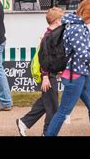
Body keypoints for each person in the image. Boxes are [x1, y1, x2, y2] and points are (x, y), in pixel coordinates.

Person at [45, 0, 90, 136]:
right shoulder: (77, 28)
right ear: (88, 13)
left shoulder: (75, 24)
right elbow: (83, 54)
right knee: (63, 112)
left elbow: (84, 48)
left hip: (79, 74)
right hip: (75, 76)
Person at [16, 7, 65, 136]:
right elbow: (44, 59)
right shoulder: (49, 37)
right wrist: (45, 77)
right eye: (61, 20)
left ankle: (24, 122)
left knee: (46, 103)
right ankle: (47, 132)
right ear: (56, 21)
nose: (63, 23)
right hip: (48, 76)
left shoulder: (50, 35)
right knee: (53, 106)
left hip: (50, 74)